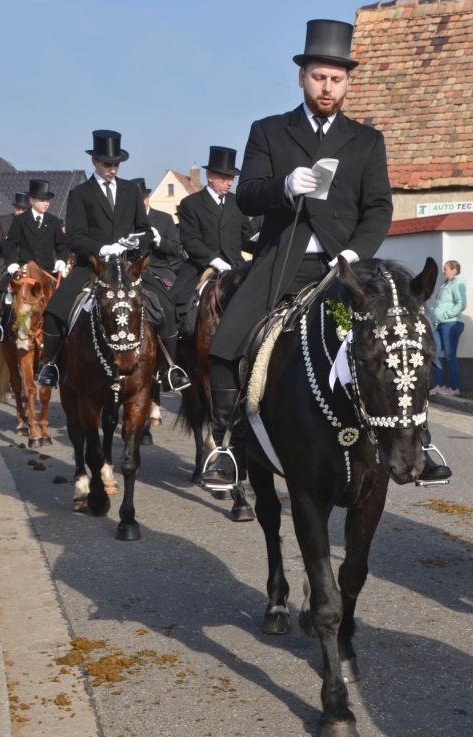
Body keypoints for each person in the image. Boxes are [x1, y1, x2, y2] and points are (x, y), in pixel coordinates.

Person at [203, 18, 449, 487]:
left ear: (347, 83)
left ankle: (421, 436)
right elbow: (247, 195)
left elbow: (378, 208)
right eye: (319, 77)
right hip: (283, 264)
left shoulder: (366, 140)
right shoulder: (269, 131)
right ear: (302, 77)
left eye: (336, 79)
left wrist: (356, 254)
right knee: (226, 339)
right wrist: (284, 186)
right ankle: (228, 446)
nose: (327, 87)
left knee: (401, 341)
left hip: (348, 269)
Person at [38, 130, 190, 393]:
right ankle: (50, 364)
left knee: (166, 306)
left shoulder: (131, 190)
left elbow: (144, 228)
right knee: (54, 309)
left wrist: (136, 241)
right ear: (94, 162)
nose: (112, 169)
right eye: (107, 164)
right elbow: (74, 236)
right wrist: (101, 248)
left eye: (116, 165)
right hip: (94, 267)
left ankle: (169, 368)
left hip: (128, 267)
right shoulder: (80, 193)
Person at [169, 146, 257, 317]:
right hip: (202, 265)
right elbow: (191, 240)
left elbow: (246, 236)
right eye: (224, 178)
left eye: (231, 178)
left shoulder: (236, 201)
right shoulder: (191, 203)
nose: (229, 183)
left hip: (235, 263)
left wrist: (262, 246)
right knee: (175, 308)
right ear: (210, 177)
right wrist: (213, 260)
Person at [0, 181, 68, 343]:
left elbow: (62, 246)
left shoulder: (53, 221)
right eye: (41, 200)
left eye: (47, 200)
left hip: (47, 270)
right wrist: (12, 264)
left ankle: (65, 331)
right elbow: (10, 244)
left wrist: (61, 261)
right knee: (0, 290)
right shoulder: (21, 220)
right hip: (24, 269)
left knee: (67, 294)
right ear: (32, 200)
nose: (46, 203)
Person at [0, 192, 31, 329]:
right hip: (4, 260)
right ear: (14, 208)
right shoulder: (2, 221)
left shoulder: (33, 224)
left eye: (24, 210)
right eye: (18, 209)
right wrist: (8, 240)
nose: (20, 212)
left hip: (25, 261)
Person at [131, 178, 183, 286]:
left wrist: (160, 241)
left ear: (148, 198)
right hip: (132, 270)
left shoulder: (165, 218)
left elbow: (176, 249)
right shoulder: (125, 221)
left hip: (159, 269)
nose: (140, 204)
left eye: (143, 199)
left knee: (176, 294)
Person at [430, 260, 466, 396]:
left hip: (451, 324)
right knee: (433, 354)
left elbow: (461, 304)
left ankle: (454, 388)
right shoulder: (446, 284)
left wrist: (445, 315)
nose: (443, 271)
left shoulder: (457, 283)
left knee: (450, 356)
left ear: (454, 271)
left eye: (445, 269)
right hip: (440, 325)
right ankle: (440, 385)